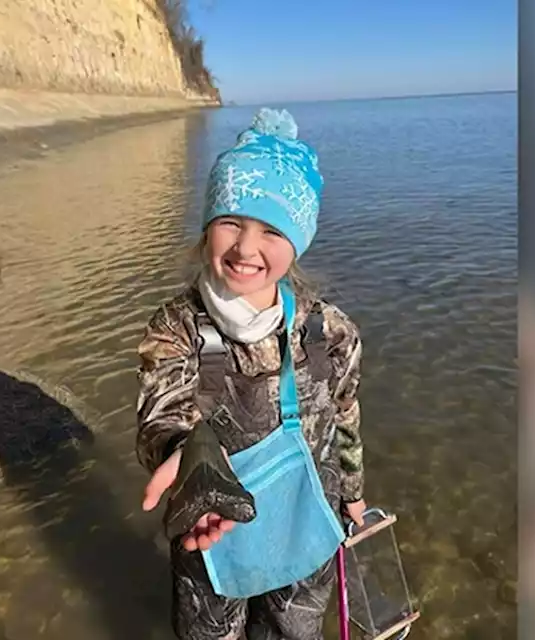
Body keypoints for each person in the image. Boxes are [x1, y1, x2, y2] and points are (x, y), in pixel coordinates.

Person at [135, 108, 368, 640]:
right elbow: (160, 415)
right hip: (209, 524)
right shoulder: (177, 327)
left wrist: (353, 492)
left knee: (294, 632)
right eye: (230, 222)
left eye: (271, 229)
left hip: (305, 518)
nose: (245, 248)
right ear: (207, 228)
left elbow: (347, 415)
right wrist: (186, 456)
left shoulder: (329, 331)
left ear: (298, 240)